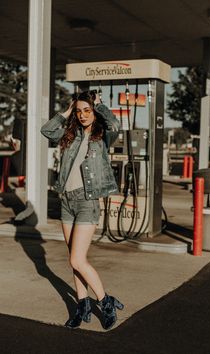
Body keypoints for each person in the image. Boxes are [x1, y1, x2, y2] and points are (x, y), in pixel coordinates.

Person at [41, 90, 124, 330]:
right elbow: (46, 130)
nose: (83, 115)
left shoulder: (102, 136)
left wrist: (100, 106)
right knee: (74, 260)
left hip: (87, 202)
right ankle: (82, 304)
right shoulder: (70, 134)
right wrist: (67, 110)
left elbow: (115, 124)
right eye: (79, 111)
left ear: (94, 111)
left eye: (87, 110)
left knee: (78, 259)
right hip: (66, 201)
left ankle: (105, 301)